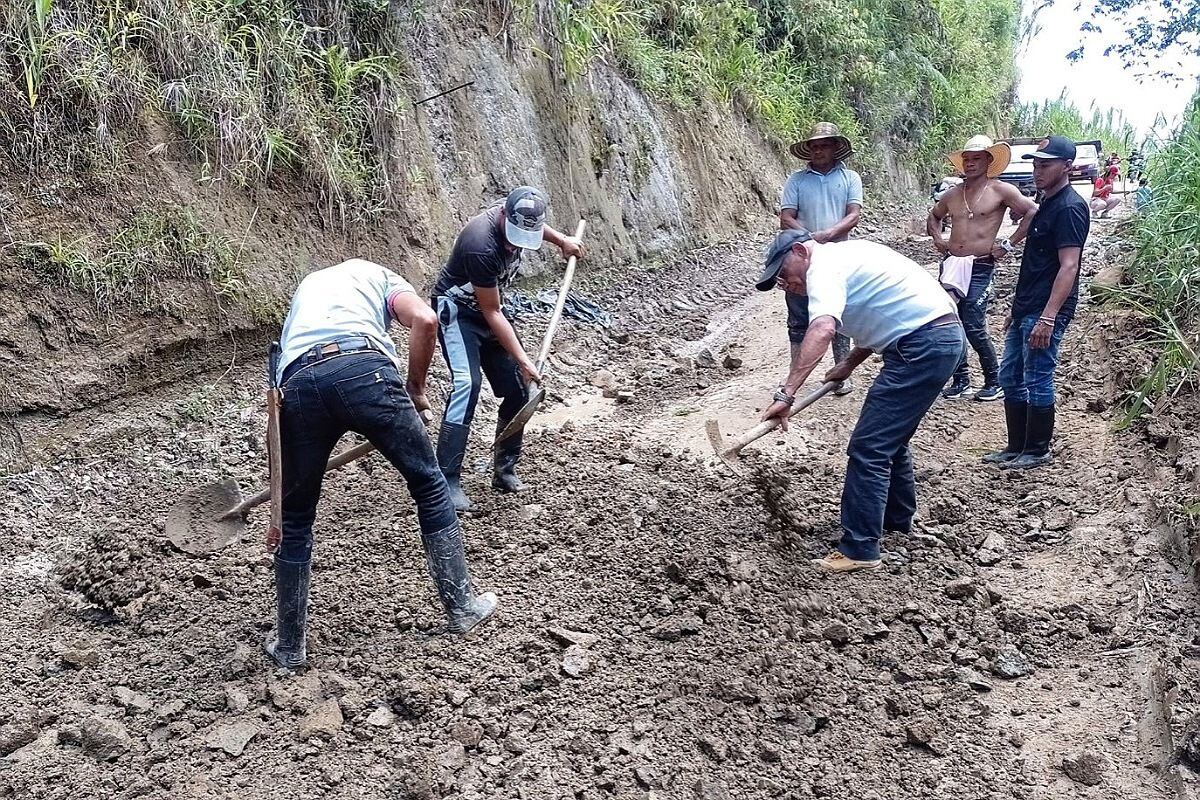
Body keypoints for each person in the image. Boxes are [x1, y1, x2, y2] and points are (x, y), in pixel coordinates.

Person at [267, 259, 499, 670]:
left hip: (297, 384)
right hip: (363, 370)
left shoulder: (308, 286)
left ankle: (289, 646)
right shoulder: (381, 277)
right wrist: (414, 389)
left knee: (297, 516)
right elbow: (426, 321)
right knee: (428, 483)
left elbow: (280, 370)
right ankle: (462, 607)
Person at [757, 230, 965, 573]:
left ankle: (860, 548)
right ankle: (895, 523)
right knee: (888, 441)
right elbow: (888, 311)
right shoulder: (848, 256)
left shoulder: (824, 268)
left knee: (869, 448)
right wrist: (849, 363)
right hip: (932, 340)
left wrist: (786, 394)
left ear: (799, 251)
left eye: (783, 274)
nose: (785, 284)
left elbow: (823, 329)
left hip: (922, 346)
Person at [432, 187, 584, 512]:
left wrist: (562, 242)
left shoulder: (523, 220)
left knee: (519, 389)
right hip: (458, 313)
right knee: (466, 385)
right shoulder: (480, 244)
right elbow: (492, 311)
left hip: (489, 310)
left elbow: (536, 228)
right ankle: (446, 482)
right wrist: (524, 359)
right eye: (514, 235)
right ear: (504, 215)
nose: (517, 243)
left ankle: (504, 470)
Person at [984, 135, 1091, 470]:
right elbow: (1035, 263)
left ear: (1067, 167)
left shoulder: (1070, 208)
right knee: (1010, 376)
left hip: (1046, 309)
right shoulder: (1046, 202)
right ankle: (1017, 445)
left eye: (1045, 165)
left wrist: (1048, 317)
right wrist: (1016, 310)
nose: (1037, 170)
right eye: (1035, 164)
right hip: (1028, 306)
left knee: (1037, 375)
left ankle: (1037, 449)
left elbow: (1069, 265)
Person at [928, 136, 1038, 401]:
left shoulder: (1001, 190)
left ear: (989, 161)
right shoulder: (953, 193)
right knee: (950, 321)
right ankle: (961, 379)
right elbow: (934, 215)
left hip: (980, 266)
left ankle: (993, 379)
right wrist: (938, 239)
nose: (970, 164)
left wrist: (1008, 245)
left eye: (976, 158)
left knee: (974, 324)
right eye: (966, 159)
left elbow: (1032, 211)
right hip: (951, 264)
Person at [778, 122, 864, 396]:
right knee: (798, 314)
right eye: (814, 146)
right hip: (802, 255)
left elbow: (853, 215)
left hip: (839, 254)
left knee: (838, 314)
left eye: (824, 145)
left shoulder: (850, 178)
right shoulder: (797, 180)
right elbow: (785, 217)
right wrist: (808, 238)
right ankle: (796, 376)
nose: (818, 150)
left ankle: (841, 373)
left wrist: (828, 234)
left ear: (835, 148)